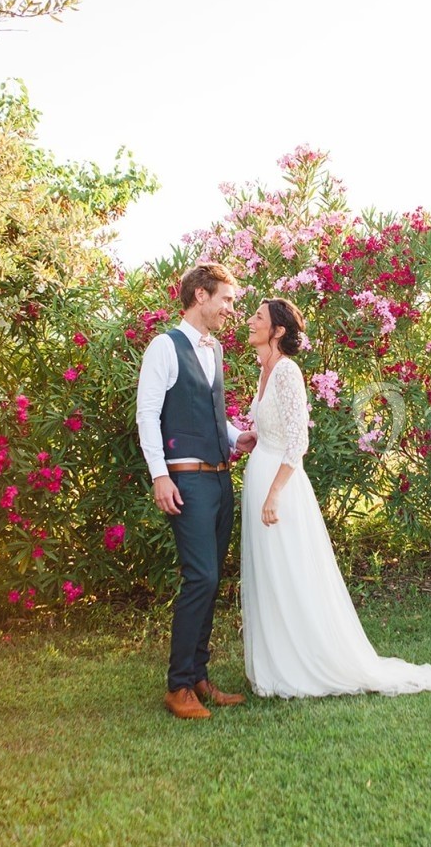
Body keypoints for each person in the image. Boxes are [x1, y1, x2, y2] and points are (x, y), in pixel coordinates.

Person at [240, 297, 431, 698]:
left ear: (277, 331)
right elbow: (276, 431)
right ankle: (276, 661)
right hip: (260, 473)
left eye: (257, 318)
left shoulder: (287, 372)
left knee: (291, 574)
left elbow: (299, 441)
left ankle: (304, 663)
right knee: (270, 574)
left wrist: (274, 493)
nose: (249, 321)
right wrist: (252, 439)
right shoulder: (265, 370)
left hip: (280, 488)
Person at [136, 263, 258, 720]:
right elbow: (148, 414)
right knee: (201, 577)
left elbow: (207, 407)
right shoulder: (163, 348)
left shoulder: (215, 350)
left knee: (212, 581)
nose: (231, 308)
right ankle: (178, 686)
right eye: (226, 299)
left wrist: (235, 436)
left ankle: (199, 676)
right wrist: (159, 475)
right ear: (201, 295)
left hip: (220, 476)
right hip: (185, 479)